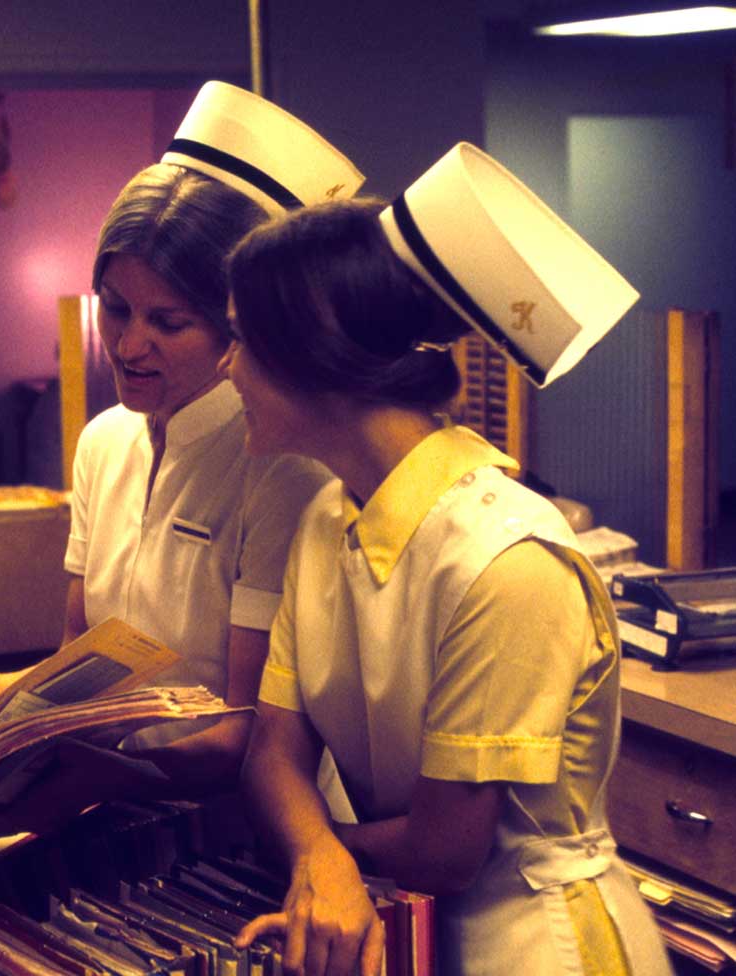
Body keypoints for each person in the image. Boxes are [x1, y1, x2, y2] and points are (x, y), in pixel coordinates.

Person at [222, 144, 671, 975]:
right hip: (399, 921)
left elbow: (446, 849)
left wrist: (321, 852)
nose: (228, 368)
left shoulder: (508, 559)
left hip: (535, 943)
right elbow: (272, 750)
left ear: (313, 357)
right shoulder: (328, 518)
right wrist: (321, 859)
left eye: (244, 342)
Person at [0, 83, 359, 836]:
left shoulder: (280, 472)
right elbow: (77, 666)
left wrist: (95, 762)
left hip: (238, 824)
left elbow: (240, 734)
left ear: (232, 327)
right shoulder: (103, 443)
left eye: (168, 322)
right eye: (114, 308)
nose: (126, 346)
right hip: (115, 809)